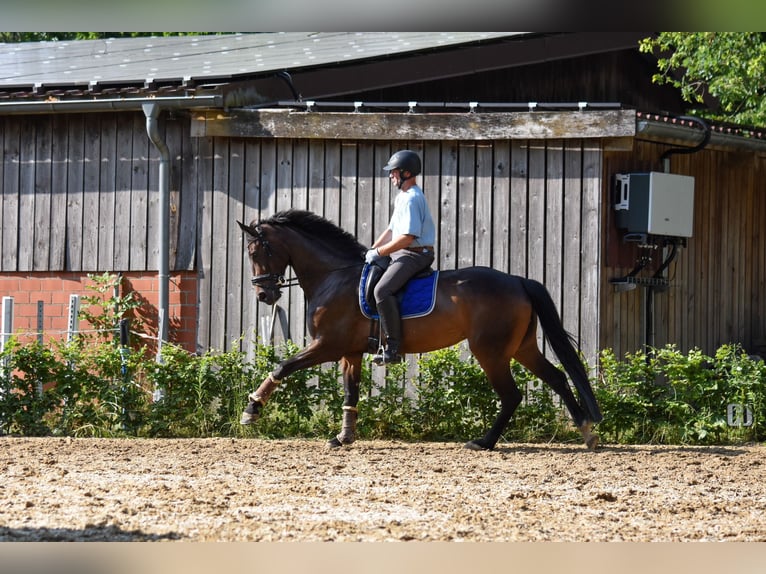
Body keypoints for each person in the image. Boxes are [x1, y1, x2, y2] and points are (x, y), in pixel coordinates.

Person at [365, 150, 436, 365]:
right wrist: (371, 251)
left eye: (393, 172)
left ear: (406, 173)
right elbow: (391, 231)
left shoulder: (412, 198)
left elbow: (406, 238)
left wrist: (379, 253)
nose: (390, 176)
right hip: (402, 251)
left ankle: (393, 348)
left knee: (382, 290)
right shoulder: (402, 196)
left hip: (415, 254)